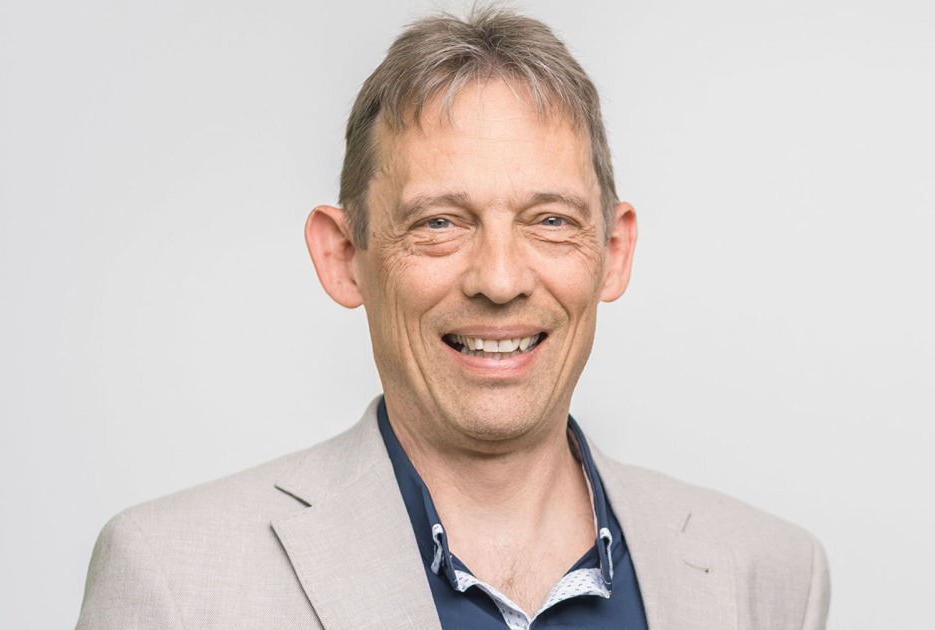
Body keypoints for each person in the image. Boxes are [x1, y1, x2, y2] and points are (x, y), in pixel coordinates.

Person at [76, 6, 829, 629]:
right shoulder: (176, 581)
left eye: (551, 221)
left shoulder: (769, 579)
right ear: (344, 256)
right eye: (439, 222)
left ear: (613, 252)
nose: (499, 280)